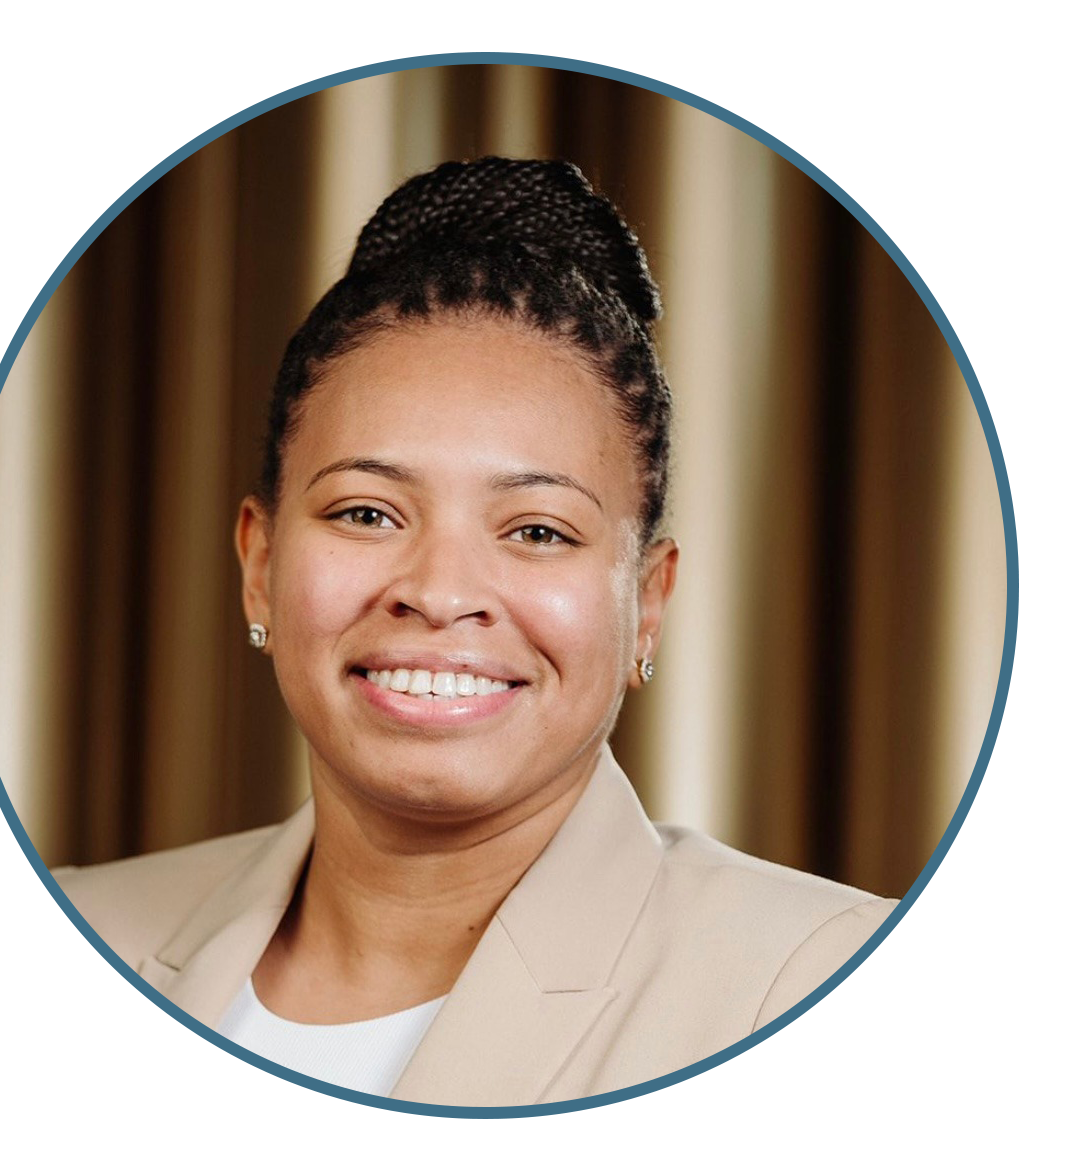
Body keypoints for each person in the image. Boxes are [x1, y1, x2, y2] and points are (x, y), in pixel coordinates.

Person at [53, 157, 896, 1107]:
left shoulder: (825, 982)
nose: (440, 592)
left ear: (645, 605)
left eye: (538, 530)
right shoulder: (68, 936)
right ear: (260, 566)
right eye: (367, 513)